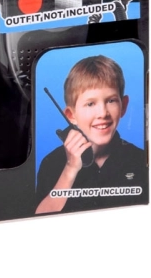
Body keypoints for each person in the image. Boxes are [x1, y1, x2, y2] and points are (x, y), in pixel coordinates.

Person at [35, 55, 145, 214]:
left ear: (124, 106)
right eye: (90, 104)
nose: (102, 113)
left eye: (111, 101)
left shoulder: (139, 159)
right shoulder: (51, 163)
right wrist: (70, 169)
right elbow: (40, 219)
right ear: (71, 115)